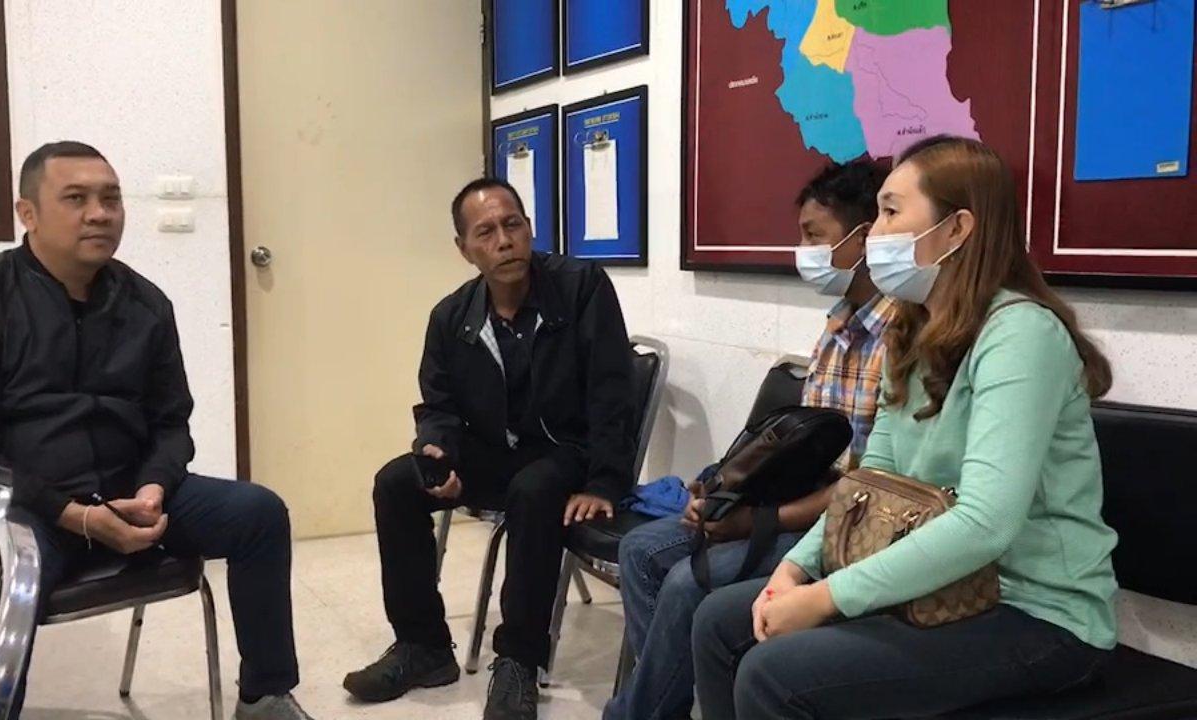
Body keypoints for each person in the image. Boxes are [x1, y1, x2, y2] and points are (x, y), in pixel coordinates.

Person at [693, 136, 1119, 719]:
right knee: (719, 622)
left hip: (1037, 613)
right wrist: (796, 570)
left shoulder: (1020, 335)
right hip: (945, 589)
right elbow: (869, 480)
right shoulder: (915, 331)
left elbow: (986, 524)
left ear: (957, 228)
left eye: (892, 212)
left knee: (775, 674)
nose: (874, 233)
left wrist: (827, 597)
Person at [0, 142, 317, 720]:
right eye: (76, 199)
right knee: (0, 573)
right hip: (20, 510)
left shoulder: (146, 304)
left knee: (257, 513)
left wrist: (153, 488)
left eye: (111, 199)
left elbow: (171, 422)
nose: (99, 214)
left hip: (128, 490)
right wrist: (75, 516)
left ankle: (265, 695)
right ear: (28, 213)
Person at [603, 160, 895, 720]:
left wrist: (758, 521)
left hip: (849, 525)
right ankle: (661, 703)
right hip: (801, 502)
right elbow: (802, 452)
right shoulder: (839, 326)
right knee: (639, 551)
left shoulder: (903, 339)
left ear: (862, 239)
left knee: (688, 584)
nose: (803, 252)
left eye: (814, 236)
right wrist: (722, 491)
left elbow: (868, 485)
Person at [343, 178, 635, 720]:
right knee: (396, 482)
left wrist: (605, 481)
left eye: (512, 225)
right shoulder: (451, 317)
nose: (504, 240)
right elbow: (438, 407)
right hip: (490, 453)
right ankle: (424, 646)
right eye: (486, 232)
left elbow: (612, 390)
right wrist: (437, 451)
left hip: (564, 454)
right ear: (464, 249)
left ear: (529, 229)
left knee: (534, 487)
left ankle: (519, 661)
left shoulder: (581, 287)